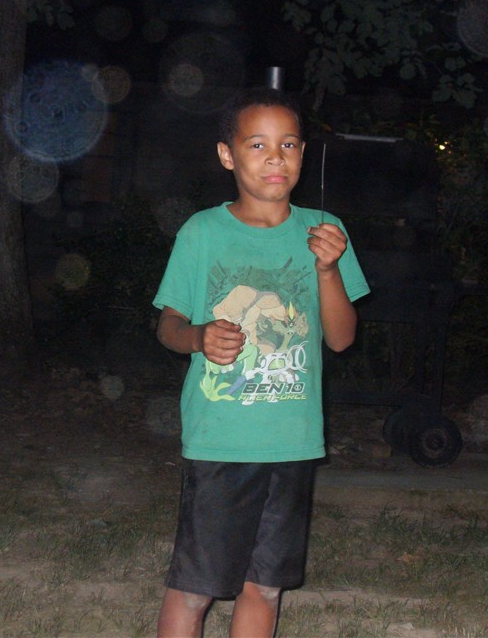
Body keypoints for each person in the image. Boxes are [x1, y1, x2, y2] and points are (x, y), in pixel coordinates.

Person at [152, 87, 370, 638]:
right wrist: (199, 337)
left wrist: (327, 270)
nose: (276, 157)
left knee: (266, 586)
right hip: (221, 440)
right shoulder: (202, 232)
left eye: (288, 144)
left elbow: (342, 339)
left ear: (302, 154)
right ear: (227, 155)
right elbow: (169, 326)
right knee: (196, 587)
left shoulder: (324, 231)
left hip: (292, 441)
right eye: (257, 144)